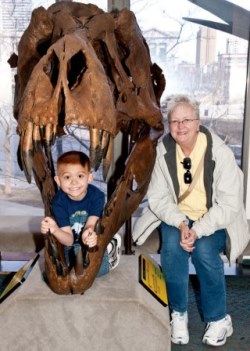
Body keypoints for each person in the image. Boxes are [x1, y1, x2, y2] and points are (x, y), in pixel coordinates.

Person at [133, 94, 250, 346]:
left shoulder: (220, 152)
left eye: (187, 120)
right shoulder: (162, 150)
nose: (180, 126)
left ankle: (219, 319)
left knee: (205, 251)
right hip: (178, 218)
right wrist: (182, 224)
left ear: (198, 123)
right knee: (173, 248)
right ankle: (178, 314)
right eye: (175, 121)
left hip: (214, 219)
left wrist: (198, 230)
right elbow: (158, 197)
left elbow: (229, 205)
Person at [41, 150, 121, 275]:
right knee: (71, 269)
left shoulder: (97, 196)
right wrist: (55, 229)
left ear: (89, 178)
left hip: (92, 236)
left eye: (80, 176)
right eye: (67, 177)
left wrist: (88, 235)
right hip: (72, 244)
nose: (74, 182)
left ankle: (111, 247)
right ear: (58, 180)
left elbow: (91, 224)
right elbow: (69, 240)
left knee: (98, 270)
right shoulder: (58, 203)